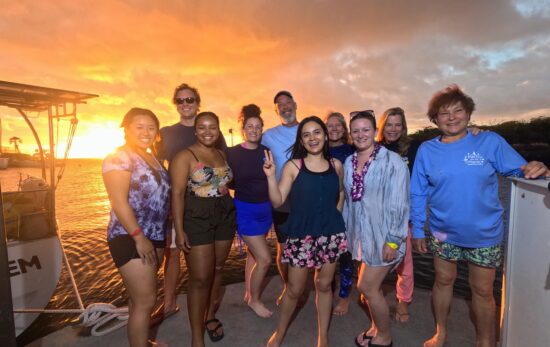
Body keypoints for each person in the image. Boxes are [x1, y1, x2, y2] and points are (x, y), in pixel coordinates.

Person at [410, 84, 550, 347]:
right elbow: (417, 192)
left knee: (483, 291)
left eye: (457, 110)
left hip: (485, 233)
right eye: (443, 113)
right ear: (435, 119)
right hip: (442, 231)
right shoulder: (428, 150)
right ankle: (441, 333)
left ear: (469, 113)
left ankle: (485, 341)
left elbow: (519, 170)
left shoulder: (489, 141)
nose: (451, 118)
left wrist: (538, 167)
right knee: (443, 281)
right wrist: (418, 229)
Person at [264, 116, 347, 347]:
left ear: (325, 134)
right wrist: (271, 177)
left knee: (324, 285)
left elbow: (340, 193)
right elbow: (278, 200)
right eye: (307, 134)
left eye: (317, 132)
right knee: (294, 289)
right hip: (301, 236)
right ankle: (280, 333)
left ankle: (323, 337)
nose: (313, 138)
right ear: (301, 139)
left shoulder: (336, 166)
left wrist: (336, 214)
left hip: (330, 234)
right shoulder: (293, 166)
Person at [155, 83, 227, 322]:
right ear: (175, 104)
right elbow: (155, 166)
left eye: (190, 100)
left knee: (208, 267)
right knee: (172, 254)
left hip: (205, 207)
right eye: (180, 100)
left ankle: (209, 309)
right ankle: (169, 302)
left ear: (198, 103)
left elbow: (222, 165)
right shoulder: (165, 132)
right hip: (175, 200)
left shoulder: (212, 131)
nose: (185, 104)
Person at [102, 108, 170, 347]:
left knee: (137, 299)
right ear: (126, 128)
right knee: (146, 301)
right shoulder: (120, 157)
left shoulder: (152, 157)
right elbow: (119, 202)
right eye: (139, 126)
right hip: (130, 235)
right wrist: (139, 237)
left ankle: (141, 342)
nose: (146, 132)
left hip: (156, 234)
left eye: (151, 127)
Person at [343, 111, 410, 347]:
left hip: (384, 238)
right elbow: (349, 204)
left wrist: (393, 241)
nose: (361, 134)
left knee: (367, 287)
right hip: (362, 236)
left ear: (375, 132)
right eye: (356, 130)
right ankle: (375, 327)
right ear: (350, 134)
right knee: (370, 288)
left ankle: (385, 338)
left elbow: (400, 205)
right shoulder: (349, 163)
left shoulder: (393, 162)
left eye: (366, 129)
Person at [170, 112, 236, 347]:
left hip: (225, 214)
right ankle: (196, 338)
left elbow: (226, 184)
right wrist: (179, 230)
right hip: (197, 216)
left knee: (217, 270)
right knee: (199, 278)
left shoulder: (220, 153)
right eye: (202, 127)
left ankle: (210, 317)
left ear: (218, 130)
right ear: (195, 130)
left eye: (212, 127)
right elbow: (177, 195)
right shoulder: (184, 156)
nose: (208, 131)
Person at [225, 104, 273, 318]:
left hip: (266, 209)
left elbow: (271, 178)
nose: (254, 130)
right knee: (265, 259)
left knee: (253, 257)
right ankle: (255, 300)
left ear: (261, 129)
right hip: (245, 210)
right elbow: (225, 180)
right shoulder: (232, 153)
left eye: (257, 126)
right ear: (244, 129)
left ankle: (247, 293)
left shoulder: (267, 152)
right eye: (250, 126)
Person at [375, 107, 420, 323]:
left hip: (404, 216)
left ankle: (403, 302)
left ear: (403, 127)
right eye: (389, 124)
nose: (393, 129)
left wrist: (474, 132)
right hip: (378, 217)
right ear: (382, 126)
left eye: (397, 124)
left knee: (405, 263)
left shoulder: (413, 148)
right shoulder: (374, 148)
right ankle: (375, 293)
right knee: (375, 259)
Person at [261, 90, 299, 304]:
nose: (285, 107)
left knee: (306, 245)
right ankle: (288, 287)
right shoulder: (268, 135)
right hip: (281, 201)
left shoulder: (309, 130)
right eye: (280, 105)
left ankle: (301, 287)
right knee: (284, 248)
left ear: (296, 104)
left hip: (307, 200)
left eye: (288, 103)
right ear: (276, 110)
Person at [324, 112, 355, 316]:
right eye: (330, 126)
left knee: (345, 255)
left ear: (344, 129)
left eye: (338, 126)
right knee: (325, 256)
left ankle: (344, 297)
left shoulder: (353, 149)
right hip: (323, 208)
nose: (334, 129)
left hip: (348, 208)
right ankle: (328, 290)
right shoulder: (318, 148)